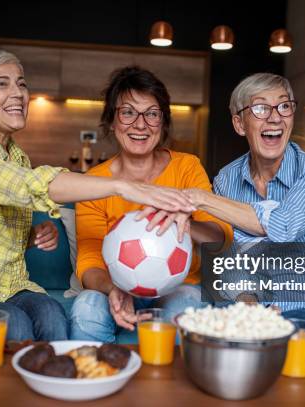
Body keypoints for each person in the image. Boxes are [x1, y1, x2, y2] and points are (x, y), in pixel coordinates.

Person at [0, 51, 195, 342]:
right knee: (14, 324)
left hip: (7, 291)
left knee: (51, 313)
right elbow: (22, 184)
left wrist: (31, 235)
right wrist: (122, 185)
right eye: (2, 84)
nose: (18, 93)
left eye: (21, 84)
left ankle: (55, 382)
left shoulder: (17, 157)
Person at [182, 73, 305, 350]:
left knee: (260, 340)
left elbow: (284, 227)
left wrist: (200, 198)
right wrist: (249, 306)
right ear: (239, 123)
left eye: (284, 106)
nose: (275, 117)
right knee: (200, 331)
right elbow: (234, 262)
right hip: (263, 309)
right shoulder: (227, 180)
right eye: (260, 108)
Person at [70, 66, 233, 342]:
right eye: (128, 112)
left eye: (152, 114)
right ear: (112, 121)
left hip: (179, 287)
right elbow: (89, 261)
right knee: (86, 308)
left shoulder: (186, 167)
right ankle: (96, 378)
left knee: (185, 311)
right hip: (115, 287)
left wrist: (184, 218)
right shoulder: (94, 183)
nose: (140, 124)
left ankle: (173, 385)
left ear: (163, 122)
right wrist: (112, 290)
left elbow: (221, 238)